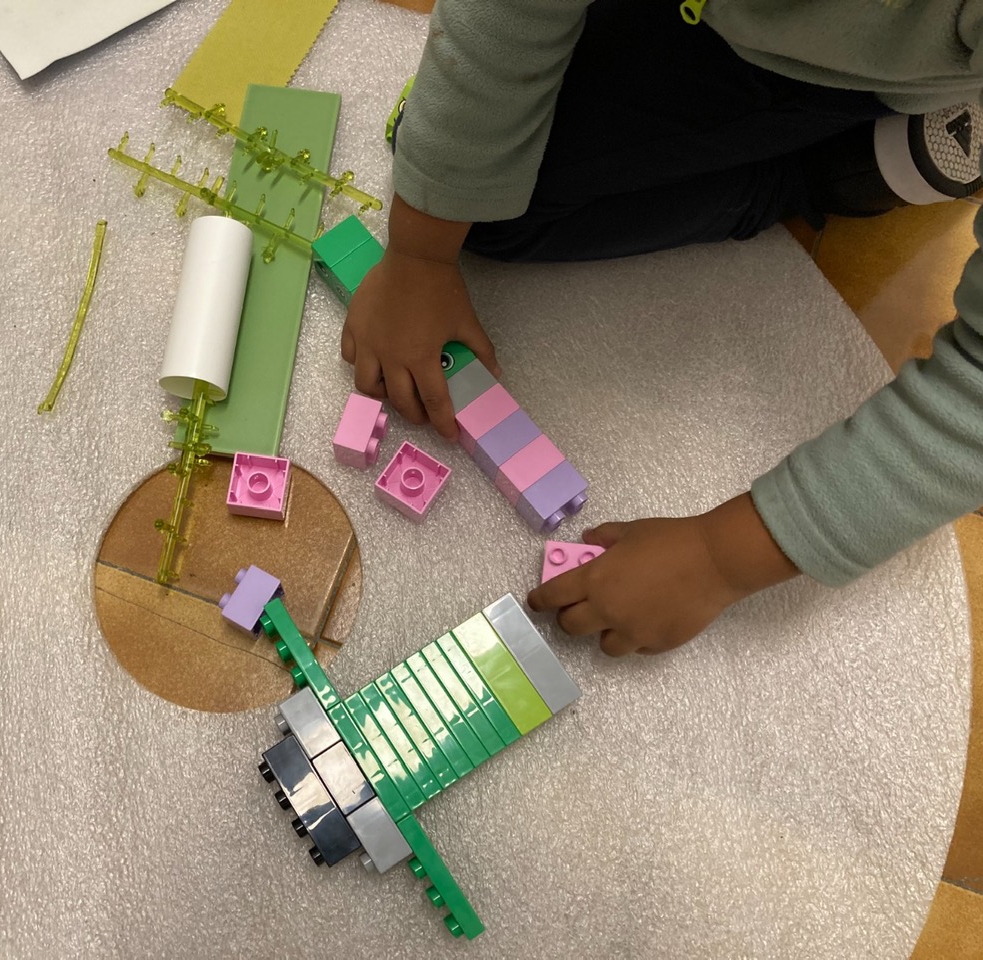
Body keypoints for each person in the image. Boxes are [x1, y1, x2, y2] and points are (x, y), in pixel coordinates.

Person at [342, 0, 983, 656]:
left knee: (500, 193)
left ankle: (863, 165)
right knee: (475, 183)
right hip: (717, 22)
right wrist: (419, 254)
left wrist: (718, 558)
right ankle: (847, 155)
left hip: (875, 71)